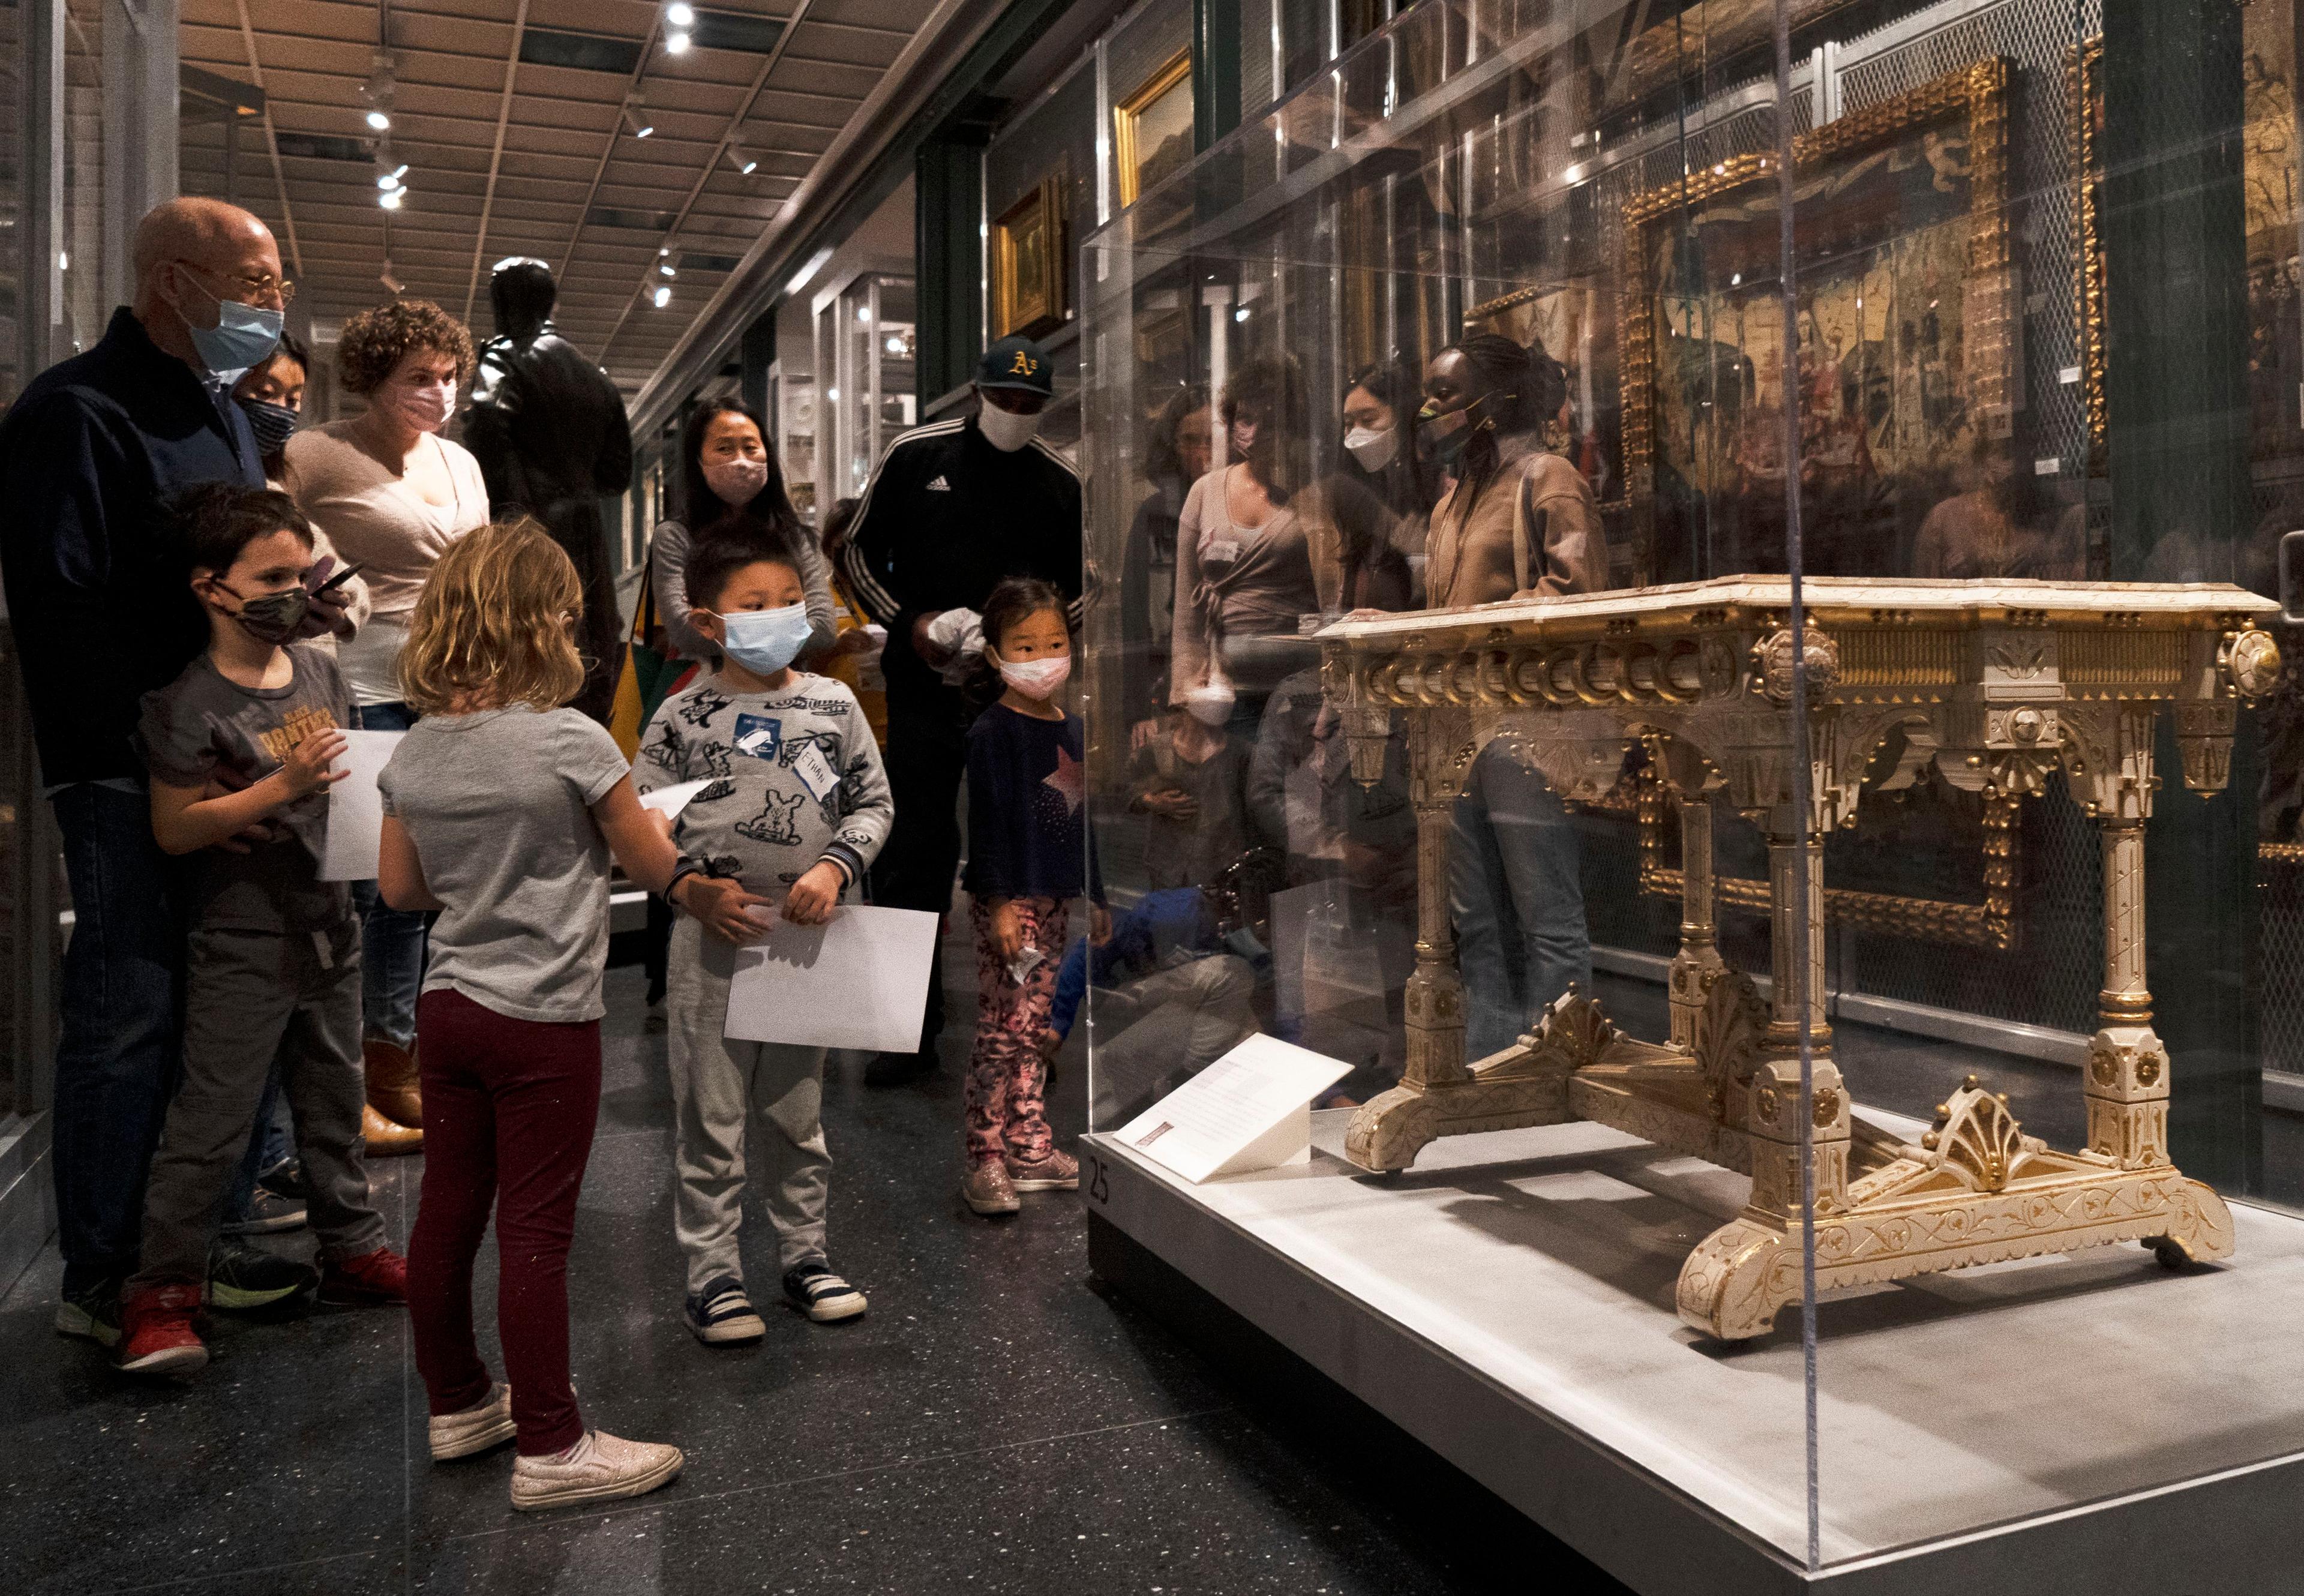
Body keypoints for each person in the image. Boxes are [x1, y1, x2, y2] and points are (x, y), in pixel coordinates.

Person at [378, 519, 728, 1508]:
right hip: (543, 1019)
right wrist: (650, 828)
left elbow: (400, 890)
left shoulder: (414, 752)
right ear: (543, 626)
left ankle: (457, 1403)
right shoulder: (574, 739)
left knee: (448, 1211)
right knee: (536, 1230)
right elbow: (650, 865)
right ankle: (552, 1443)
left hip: (448, 1008)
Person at [0, 196, 284, 1348]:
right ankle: (107, 1269)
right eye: (256, 283)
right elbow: (63, 614)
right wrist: (165, 760)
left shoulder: (224, 413)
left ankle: (202, 1244)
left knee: (227, 1004)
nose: (272, 305)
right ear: (174, 281)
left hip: (231, 757)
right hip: (129, 769)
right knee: (130, 1007)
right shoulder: (73, 411)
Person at [115, 486, 409, 1377]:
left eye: (301, 575)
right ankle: (164, 1293)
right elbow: (175, 827)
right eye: (272, 578)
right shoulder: (189, 700)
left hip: (329, 920)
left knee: (334, 1101)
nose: (294, 593)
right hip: (242, 936)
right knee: (212, 1120)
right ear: (212, 588)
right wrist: (277, 788)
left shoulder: (319, 671)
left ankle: (351, 1247)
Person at [635, 526, 893, 1342]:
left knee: (796, 1113)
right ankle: (712, 1275)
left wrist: (836, 869)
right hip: (711, 945)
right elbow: (642, 820)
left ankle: (805, 1256)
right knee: (711, 1118)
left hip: (804, 942)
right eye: (755, 605)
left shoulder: (834, 703)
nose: (780, 615)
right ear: (709, 622)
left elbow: (873, 801)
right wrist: (689, 888)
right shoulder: (681, 714)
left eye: (790, 600)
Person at [839, 336, 1084, 1087]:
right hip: (923, 690)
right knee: (915, 855)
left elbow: (1083, 588)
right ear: (978, 393)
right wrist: (909, 622)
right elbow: (856, 552)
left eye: (1029, 403)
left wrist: (1025, 650)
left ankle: (1026, 1030)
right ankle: (905, 1033)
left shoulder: (1061, 481)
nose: (1015, 411)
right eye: (1003, 398)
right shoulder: (918, 454)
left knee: (1028, 863)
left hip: (1021, 699)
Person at [284, 298, 489, 1141]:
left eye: (449, 376)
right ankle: (344, 1077)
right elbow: (270, 523)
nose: (438, 392)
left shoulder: (460, 461)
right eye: (419, 377)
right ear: (374, 377)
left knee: (416, 886)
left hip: (449, 687)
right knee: (364, 886)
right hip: (358, 682)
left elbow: (475, 572)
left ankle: (393, 1058)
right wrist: (324, 570)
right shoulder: (318, 450)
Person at [1420, 334, 1606, 1059]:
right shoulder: (1452, 500)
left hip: (1524, 726)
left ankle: (1559, 1067)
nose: (1430, 409)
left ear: (1495, 401)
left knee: (1546, 914)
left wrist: (1477, 628)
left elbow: (1579, 597)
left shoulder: (1548, 479)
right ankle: (1491, 1066)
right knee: (1476, 921)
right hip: (1455, 726)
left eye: (1446, 394)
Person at [958, 578, 1106, 1216]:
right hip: (1011, 898)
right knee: (1002, 1027)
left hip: (1054, 897)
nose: (1043, 657)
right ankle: (985, 1155)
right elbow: (986, 823)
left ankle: (1030, 1146)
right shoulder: (992, 732)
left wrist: (1095, 892)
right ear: (995, 655)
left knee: (1034, 1026)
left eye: (1054, 643)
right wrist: (998, 904)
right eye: (1025, 646)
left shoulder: (1072, 728)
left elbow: (1080, 817)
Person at [463, 256, 636, 722]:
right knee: (587, 654)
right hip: (587, 535)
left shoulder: (502, 357)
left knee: (521, 662)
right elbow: (617, 474)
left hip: (524, 532)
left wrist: (505, 507)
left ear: (502, 303)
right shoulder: (597, 380)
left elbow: (484, 427)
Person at [1170, 358, 1322, 725]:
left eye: (1268, 422)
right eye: (1245, 419)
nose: (1254, 433)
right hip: (1222, 691)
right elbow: (1186, 608)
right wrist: (1182, 695)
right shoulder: (1205, 491)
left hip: (1299, 690)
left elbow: (1330, 594)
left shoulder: (1315, 492)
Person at [1045, 887, 1258, 1128]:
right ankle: (1188, 1085)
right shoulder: (1167, 914)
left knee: (1247, 1026)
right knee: (1233, 974)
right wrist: (1058, 1022)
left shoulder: (1220, 924)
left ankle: (1189, 1091)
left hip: (1175, 1004)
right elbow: (1085, 954)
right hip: (1129, 1001)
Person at [650, 401, 835, 671]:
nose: (741, 460)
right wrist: (787, 632)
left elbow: (824, 630)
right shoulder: (676, 537)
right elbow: (686, 632)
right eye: (724, 449)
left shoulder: (797, 538)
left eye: (750, 447)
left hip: (789, 686)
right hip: (707, 685)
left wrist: (729, 630)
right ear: (699, 460)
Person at [1122, 386, 1211, 744]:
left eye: (1212, 440)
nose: (1203, 453)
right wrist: (1139, 710)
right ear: (1173, 445)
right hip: (1172, 686)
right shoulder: (1155, 514)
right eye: (1190, 441)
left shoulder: (1254, 501)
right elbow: (1134, 614)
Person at [1126, 701, 1253, 893]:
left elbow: (1257, 806)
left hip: (1222, 868)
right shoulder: (1157, 748)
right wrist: (1151, 801)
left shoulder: (1242, 752)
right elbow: (1129, 789)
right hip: (1167, 867)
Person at [815, 496, 889, 748]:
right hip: (837, 732)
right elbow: (797, 670)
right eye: (844, 547)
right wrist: (835, 648)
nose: (854, 557)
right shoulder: (816, 600)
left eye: (863, 546)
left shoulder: (893, 595)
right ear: (828, 548)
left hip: (892, 730)